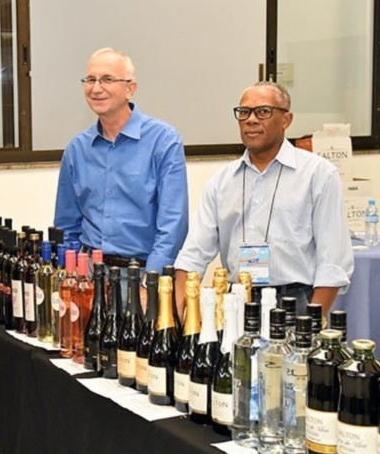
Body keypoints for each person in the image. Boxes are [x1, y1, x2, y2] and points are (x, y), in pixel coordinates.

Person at [174, 81, 353, 316]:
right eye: (244, 112)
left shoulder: (318, 174)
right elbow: (194, 253)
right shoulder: (222, 181)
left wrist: (312, 322)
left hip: (295, 302)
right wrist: (176, 313)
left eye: (263, 111)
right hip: (235, 302)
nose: (251, 120)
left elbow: (333, 262)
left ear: (286, 120)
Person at [53, 47, 188, 288]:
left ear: (130, 88)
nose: (96, 88)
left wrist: (151, 283)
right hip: (89, 277)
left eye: (107, 79)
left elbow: (173, 224)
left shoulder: (163, 141)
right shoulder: (77, 149)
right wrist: (70, 273)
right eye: (90, 80)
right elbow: (67, 226)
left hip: (142, 275)